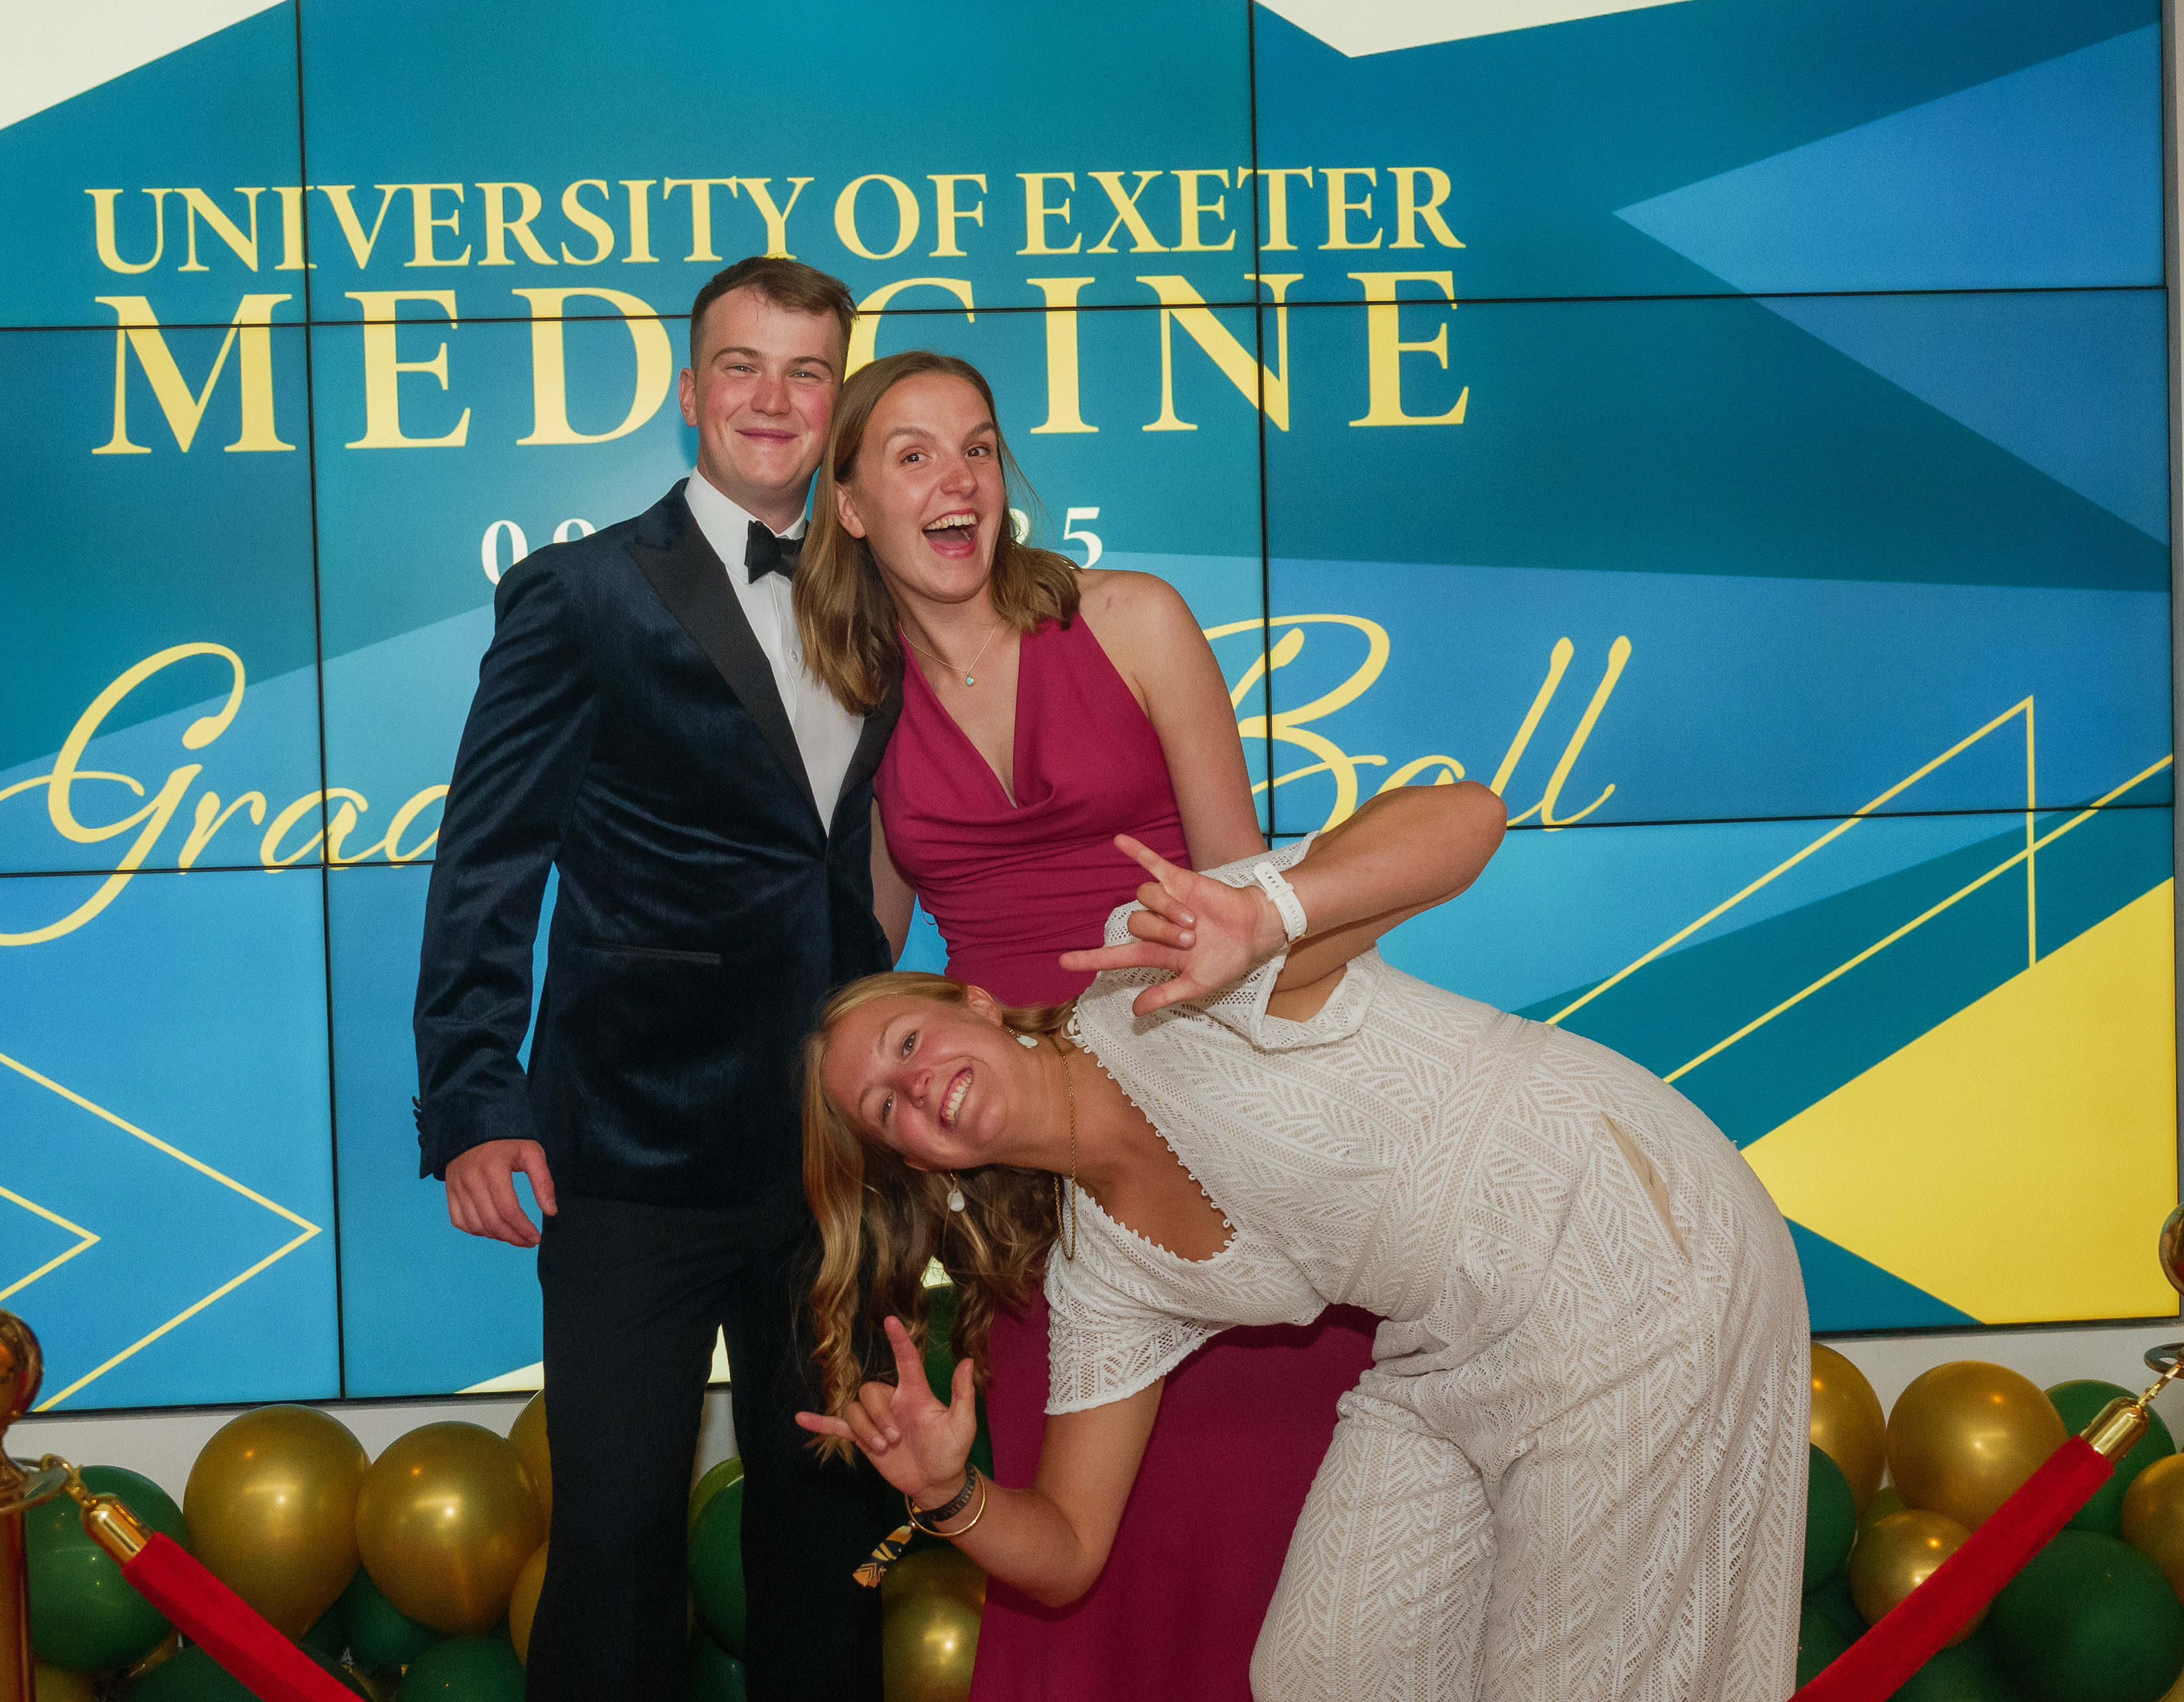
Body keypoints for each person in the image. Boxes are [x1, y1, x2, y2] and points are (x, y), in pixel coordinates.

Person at [796, 823, 1811, 1702]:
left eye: (907, 1041)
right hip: (1454, 1344)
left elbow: (1466, 820)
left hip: (1620, 1244)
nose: (914, 1086)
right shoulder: (1107, 1270)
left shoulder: (1162, 979)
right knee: (1323, 1669)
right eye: (885, 1108)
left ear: (976, 1003)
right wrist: (947, 1492)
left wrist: (1268, 914)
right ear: (919, 1163)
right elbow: (1066, 1546)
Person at [790, 349, 1386, 1698]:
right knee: (1099, 1545)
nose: (959, 478)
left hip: (1208, 1120)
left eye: (978, 446)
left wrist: (1267, 1119)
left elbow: (1245, 891)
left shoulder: (1132, 619)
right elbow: (859, 956)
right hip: (1024, 1171)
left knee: (1279, 1497)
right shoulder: (855, 709)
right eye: (913, 455)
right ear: (851, 508)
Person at [412, 256, 897, 1702]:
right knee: (618, 1543)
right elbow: (489, 858)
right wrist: (474, 1100)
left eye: (807, 372)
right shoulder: (582, 593)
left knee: (829, 1531)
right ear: (691, 392)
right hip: (630, 1147)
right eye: (742, 365)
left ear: (837, 404)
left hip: (834, 1154)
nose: (774, 398)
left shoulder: (883, 594)